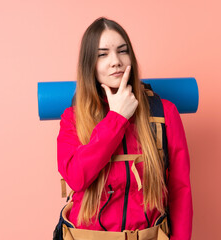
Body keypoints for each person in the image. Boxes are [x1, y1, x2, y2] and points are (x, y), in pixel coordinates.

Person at [56, 17, 192, 240]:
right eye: (103, 54)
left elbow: (180, 191)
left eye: (122, 51)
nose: (115, 61)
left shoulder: (165, 113)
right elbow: (76, 177)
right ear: (89, 63)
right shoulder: (72, 118)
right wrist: (117, 118)